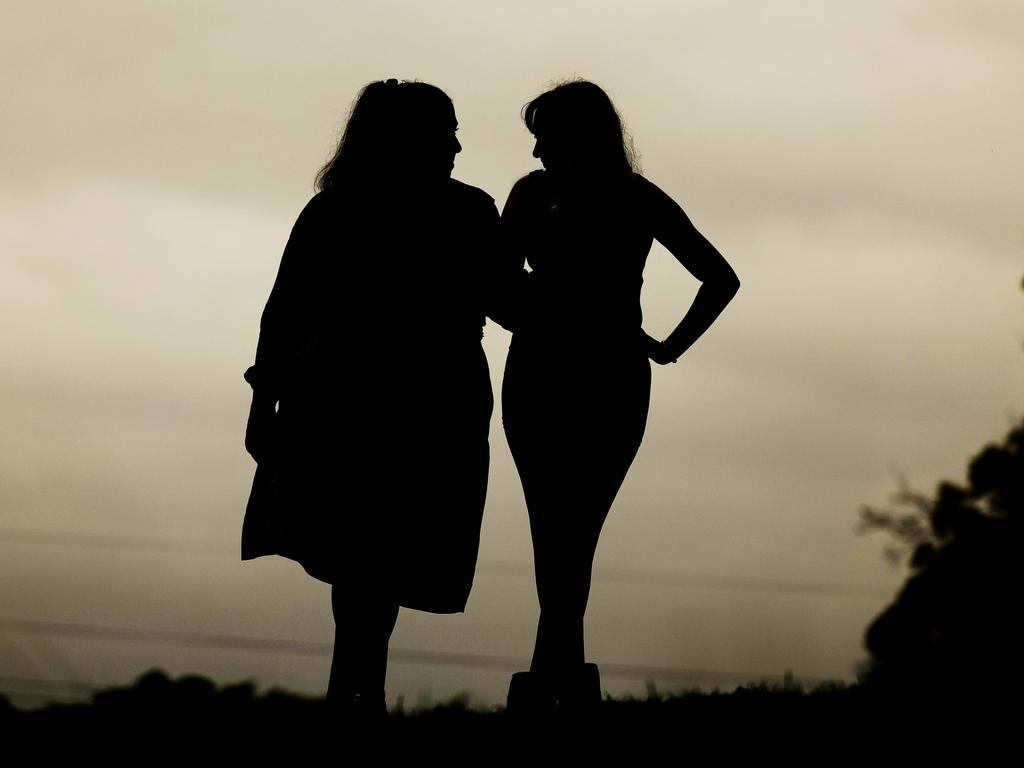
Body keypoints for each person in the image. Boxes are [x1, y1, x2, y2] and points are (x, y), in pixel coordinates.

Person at [240, 79, 513, 715]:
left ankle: (356, 687)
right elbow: (509, 303)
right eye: (447, 130)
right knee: (376, 550)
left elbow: (282, 315)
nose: (457, 144)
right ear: (413, 138)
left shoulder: (335, 209)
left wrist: (264, 405)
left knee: (363, 552)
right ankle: (359, 689)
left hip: (356, 398)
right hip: (412, 401)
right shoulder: (463, 211)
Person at [499, 79, 740, 711]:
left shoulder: (544, 196)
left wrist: (666, 344)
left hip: (562, 372)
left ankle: (553, 678)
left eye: (544, 138)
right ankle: (561, 676)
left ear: (573, 135)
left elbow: (496, 287)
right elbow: (720, 279)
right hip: (598, 372)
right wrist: (664, 345)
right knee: (566, 530)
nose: (536, 153)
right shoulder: (634, 197)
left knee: (559, 529)